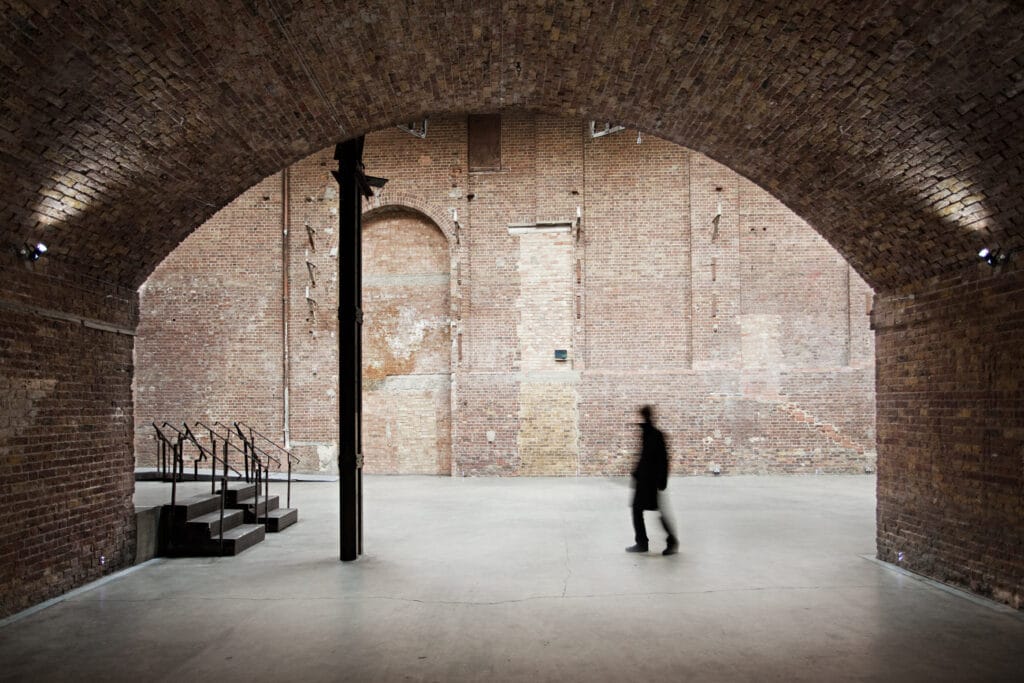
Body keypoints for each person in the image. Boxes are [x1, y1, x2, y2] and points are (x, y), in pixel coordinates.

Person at [626, 405, 678, 555]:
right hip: (646, 481)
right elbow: (647, 458)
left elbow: (659, 460)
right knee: (642, 510)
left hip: (649, 482)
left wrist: (662, 480)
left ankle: (666, 541)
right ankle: (647, 542)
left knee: (642, 510)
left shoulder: (653, 434)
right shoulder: (650, 433)